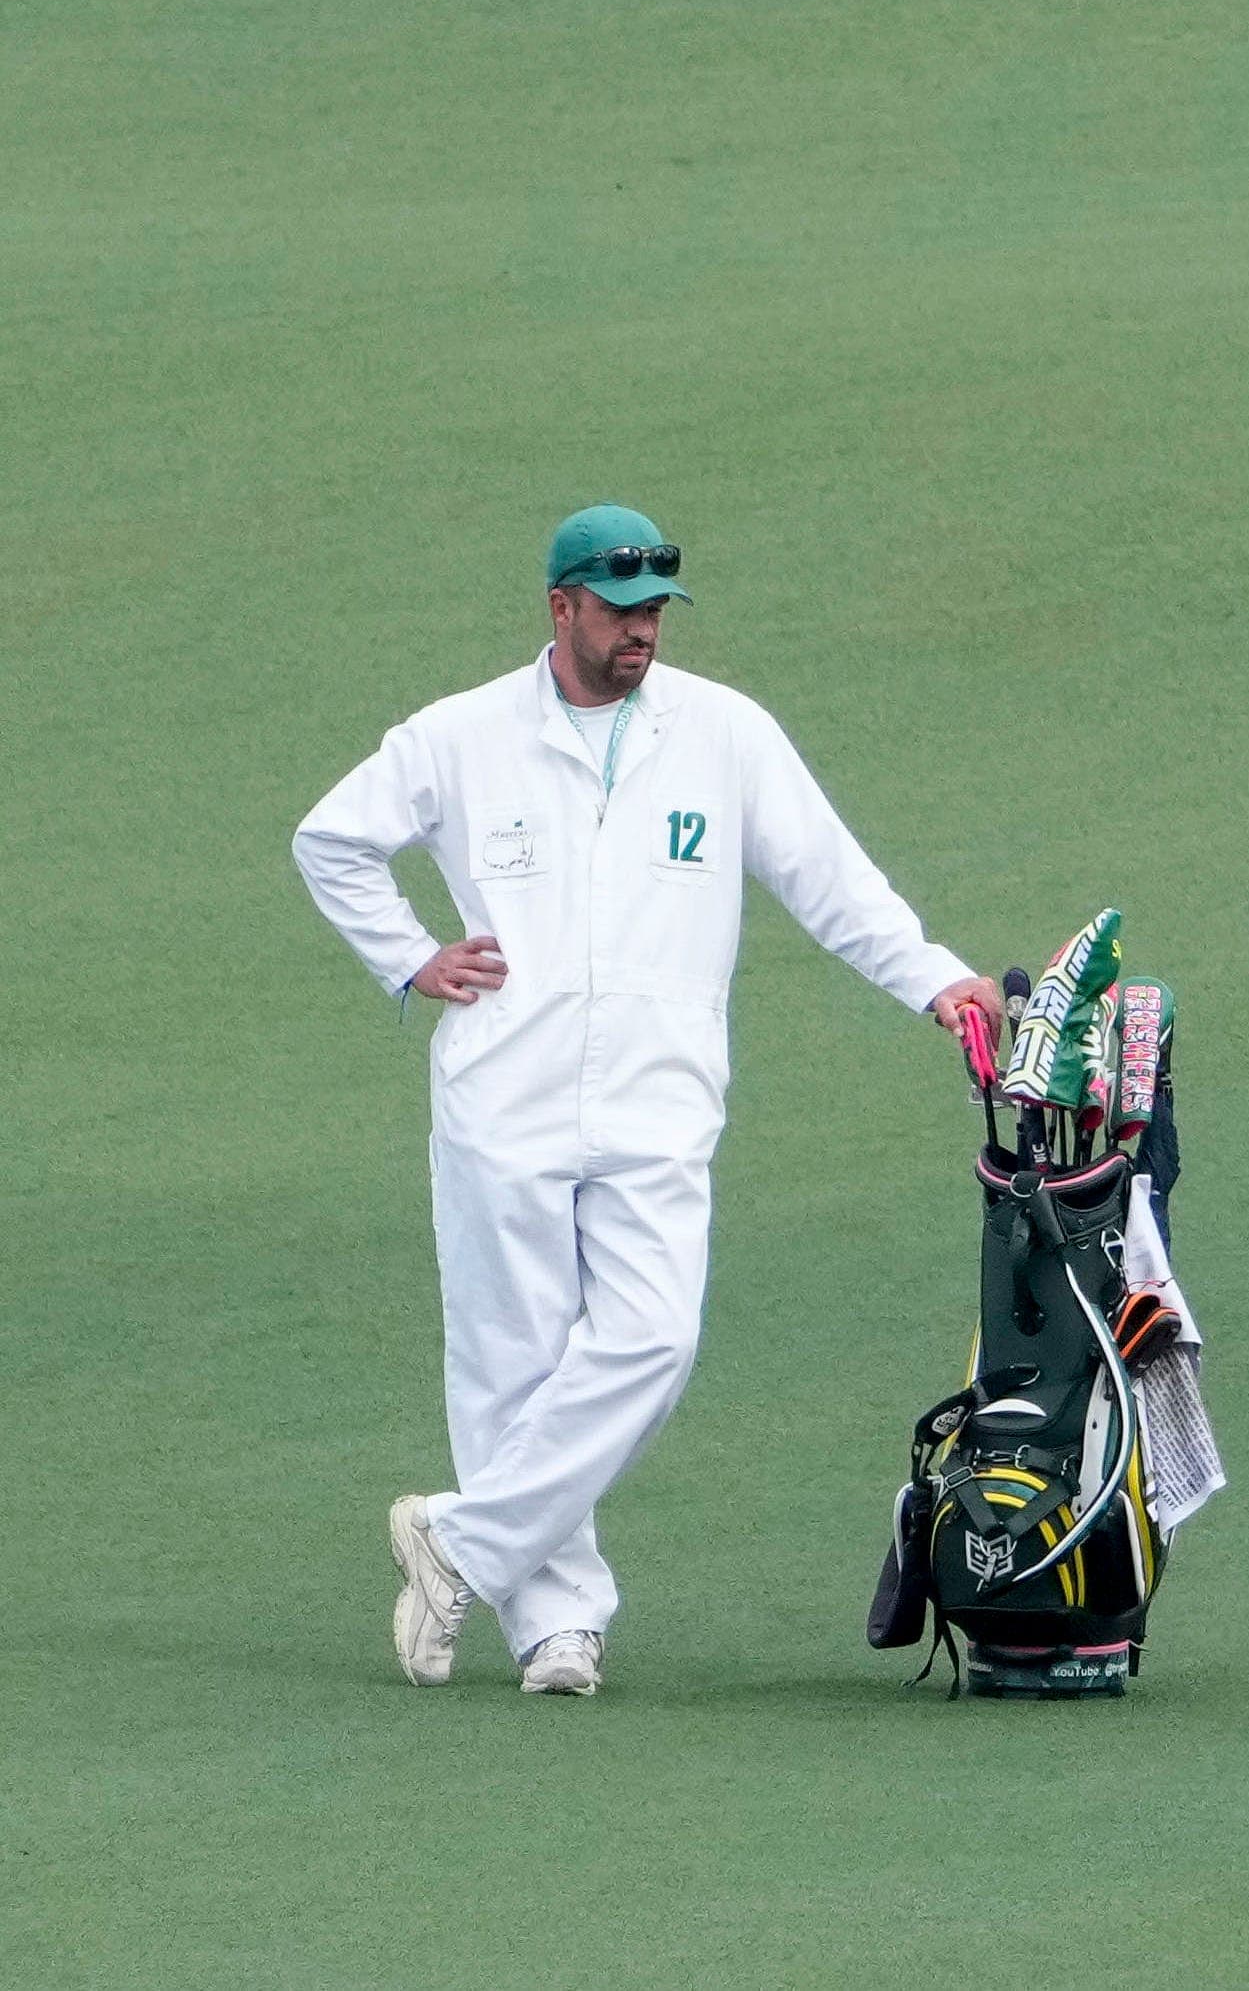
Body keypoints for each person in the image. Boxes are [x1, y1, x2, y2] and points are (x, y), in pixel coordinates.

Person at [292, 505, 1003, 1696]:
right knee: (512, 1361)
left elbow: (833, 882)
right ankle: (555, 1620)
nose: (643, 631)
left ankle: (457, 1541)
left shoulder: (724, 734)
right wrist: (411, 955)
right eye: (620, 609)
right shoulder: (460, 735)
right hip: (500, 1097)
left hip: (660, 1101)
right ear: (560, 606)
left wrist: (936, 979)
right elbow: (331, 839)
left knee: (652, 1338)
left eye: (658, 608)